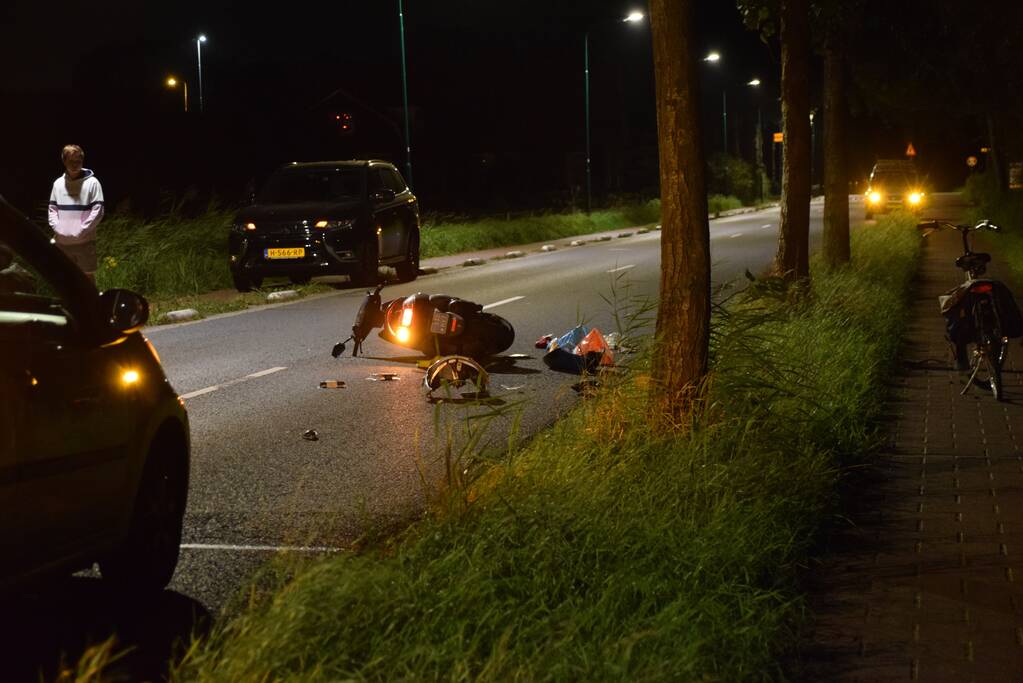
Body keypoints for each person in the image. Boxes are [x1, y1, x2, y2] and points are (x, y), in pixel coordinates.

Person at [48, 144, 104, 283]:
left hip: (84, 241)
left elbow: (98, 210)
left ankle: (92, 299)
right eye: (71, 161)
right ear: (64, 161)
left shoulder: (93, 183)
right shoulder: (58, 183)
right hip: (62, 242)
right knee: (64, 278)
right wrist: (58, 229)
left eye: (78, 161)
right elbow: (52, 209)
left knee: (88, 277)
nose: (75, 164)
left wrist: (81, 230)